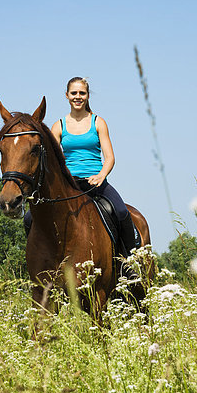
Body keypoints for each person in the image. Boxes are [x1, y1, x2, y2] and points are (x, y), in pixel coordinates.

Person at [49, 76, 137, 259]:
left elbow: (110, 157)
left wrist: (101, 176)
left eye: (82, 93)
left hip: (96, 183)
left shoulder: (98, 122)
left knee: (121, 211)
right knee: (29, 219)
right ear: (66, 95)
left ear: (88, 96)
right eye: (74, 93)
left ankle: (129, 263)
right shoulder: (58, 126)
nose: (78, 96)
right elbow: (53, 161)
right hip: (69, 185)